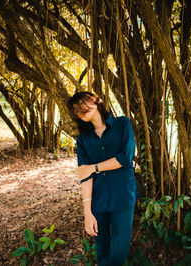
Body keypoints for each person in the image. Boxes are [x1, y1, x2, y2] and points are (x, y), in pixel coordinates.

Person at [68, 91, 138, 265]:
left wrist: (94, 167)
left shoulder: (122, 123)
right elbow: (85, 176)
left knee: (118, 255)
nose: (81, 109)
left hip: (122, 197)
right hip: (98, 201)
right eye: (76, 109)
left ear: (96, 101)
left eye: (83, 103)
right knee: (102, 253)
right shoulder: (83, 140)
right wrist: (87, 213)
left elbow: (125, 158)